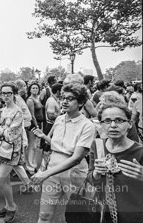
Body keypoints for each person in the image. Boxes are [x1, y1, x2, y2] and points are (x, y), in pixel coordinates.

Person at [31, 83, 95, 223]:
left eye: (70, 98)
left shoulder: (87, 126)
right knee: (44, 216)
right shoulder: (59, 119)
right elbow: (57, 145)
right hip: (52, 172)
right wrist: (44, 136)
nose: (64, 101)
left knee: (75, 218)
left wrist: (46, 173)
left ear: (81, 103)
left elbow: (76, 158)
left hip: (74, 174)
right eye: (63, 97)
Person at [87, 100, 143, 223]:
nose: (113, 125)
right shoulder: (97, 146)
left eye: (119, 120)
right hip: (104, 214)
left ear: (130, 123)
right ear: (101, 124)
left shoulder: (140, 152)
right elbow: (91, 179)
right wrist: (96, 173)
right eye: (107, 121)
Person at [0, 83, 31, 223]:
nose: (6, 96)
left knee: (0, 179)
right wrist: (2, 130)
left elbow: (12, 134)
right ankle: (8, 205)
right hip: (1, 148)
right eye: (3, 93)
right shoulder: (1, 111)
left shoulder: (18, 112)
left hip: (12, 150)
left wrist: (1, 130)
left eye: (9, 93)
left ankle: (12, 207)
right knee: (4, 179)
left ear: (14, 94)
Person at [26, 82, 44, 175]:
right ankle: (30, 167)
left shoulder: (37, 98)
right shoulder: (30, 100)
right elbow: (32, 115)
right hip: (33, 125)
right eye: (33, 88)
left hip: (39, 123)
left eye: (36, 88)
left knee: (36, 146)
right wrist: (36, 126)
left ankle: (33, 164)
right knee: (32, 145)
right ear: (30, 89)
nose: (35, 90)